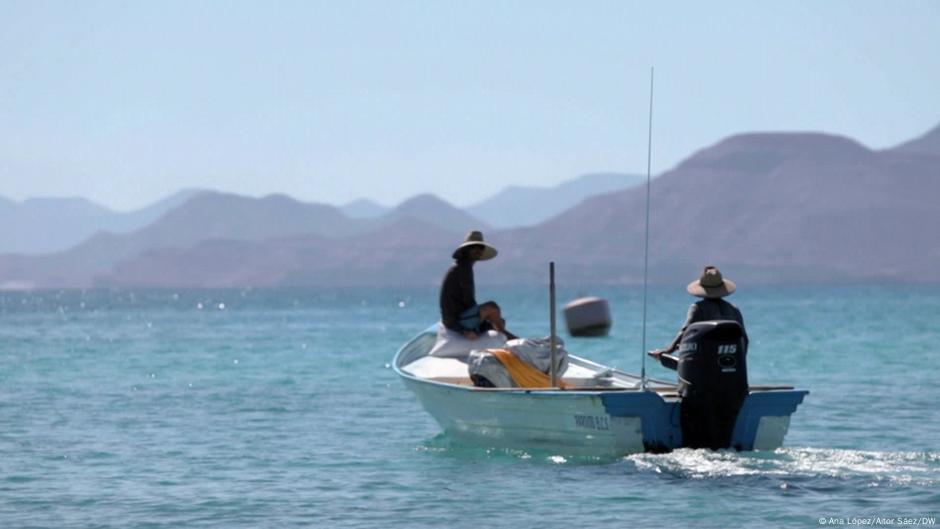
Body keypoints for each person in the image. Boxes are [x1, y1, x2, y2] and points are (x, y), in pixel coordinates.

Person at [649, 265, 747, 370]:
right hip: (729, 366)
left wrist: (668, 350)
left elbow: (685, 332)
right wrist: (738, 363)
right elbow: (744, 339)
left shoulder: (698, 308)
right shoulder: (734, 310)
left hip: (704, 367)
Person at [439, 230, 516, 340]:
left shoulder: (462, 267)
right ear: (466, 250)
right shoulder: (462, 268)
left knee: (498, 321)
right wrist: (464, 329)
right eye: (473, 247)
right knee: (492, 308)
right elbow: (468, 300)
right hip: (456, 321)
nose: (478, 250)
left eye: (480, 248)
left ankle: (504, 337)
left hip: (457, 318)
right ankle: (505, 337)